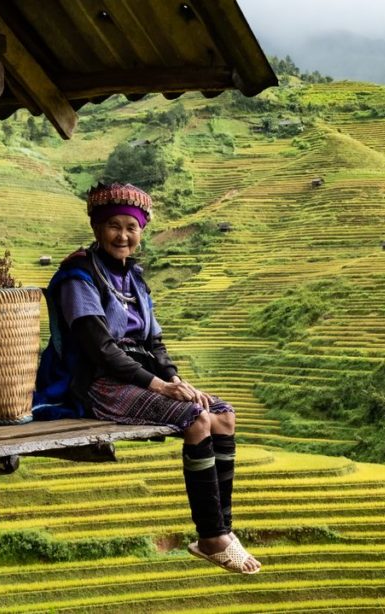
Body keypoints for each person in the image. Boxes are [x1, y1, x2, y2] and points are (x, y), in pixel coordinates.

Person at [32, 181, 260, 574]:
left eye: (132, 227)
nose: (123, 235)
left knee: (223, 413)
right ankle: (211, 537)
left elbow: (155, 341)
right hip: (97, 382)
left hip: (141, 376)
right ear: (97, 228)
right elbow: (99, 348)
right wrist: (160, 385)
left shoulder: (135, 278)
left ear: (141, 232)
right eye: (114, 226)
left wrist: (174, 377)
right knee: (196, 418)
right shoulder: (77, 276)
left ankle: (222, 529)